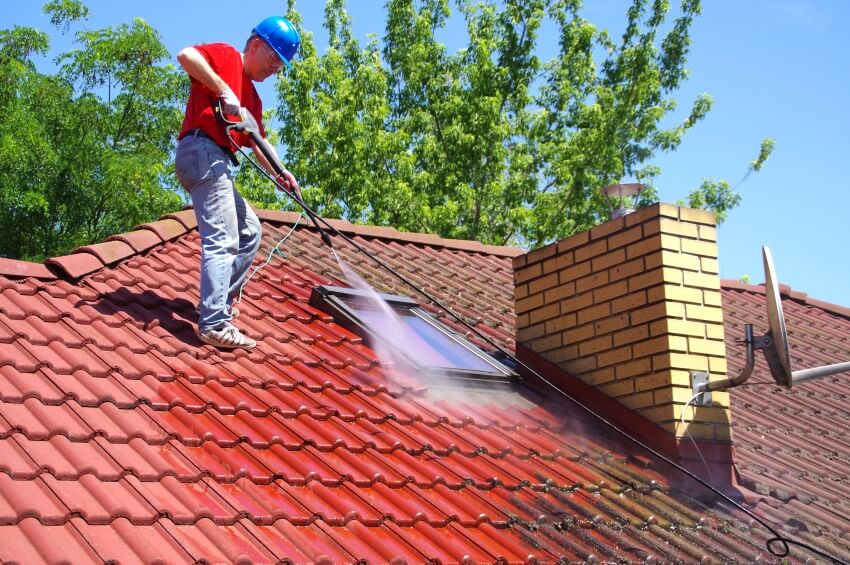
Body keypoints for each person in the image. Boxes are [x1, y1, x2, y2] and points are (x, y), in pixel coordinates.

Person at [174, 16, 301, 350]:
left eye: (281, 64)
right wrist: (222, 89)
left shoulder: (254, 101)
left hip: (215, 160)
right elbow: (186, 55)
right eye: (274, 58)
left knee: (250, 232)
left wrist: (280, 172)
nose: (276, 68)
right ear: (256, 45)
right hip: (201, 150)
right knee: (225, 236)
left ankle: (217, 308)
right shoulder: (227, 56)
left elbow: (257, 140)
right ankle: (213, 323)